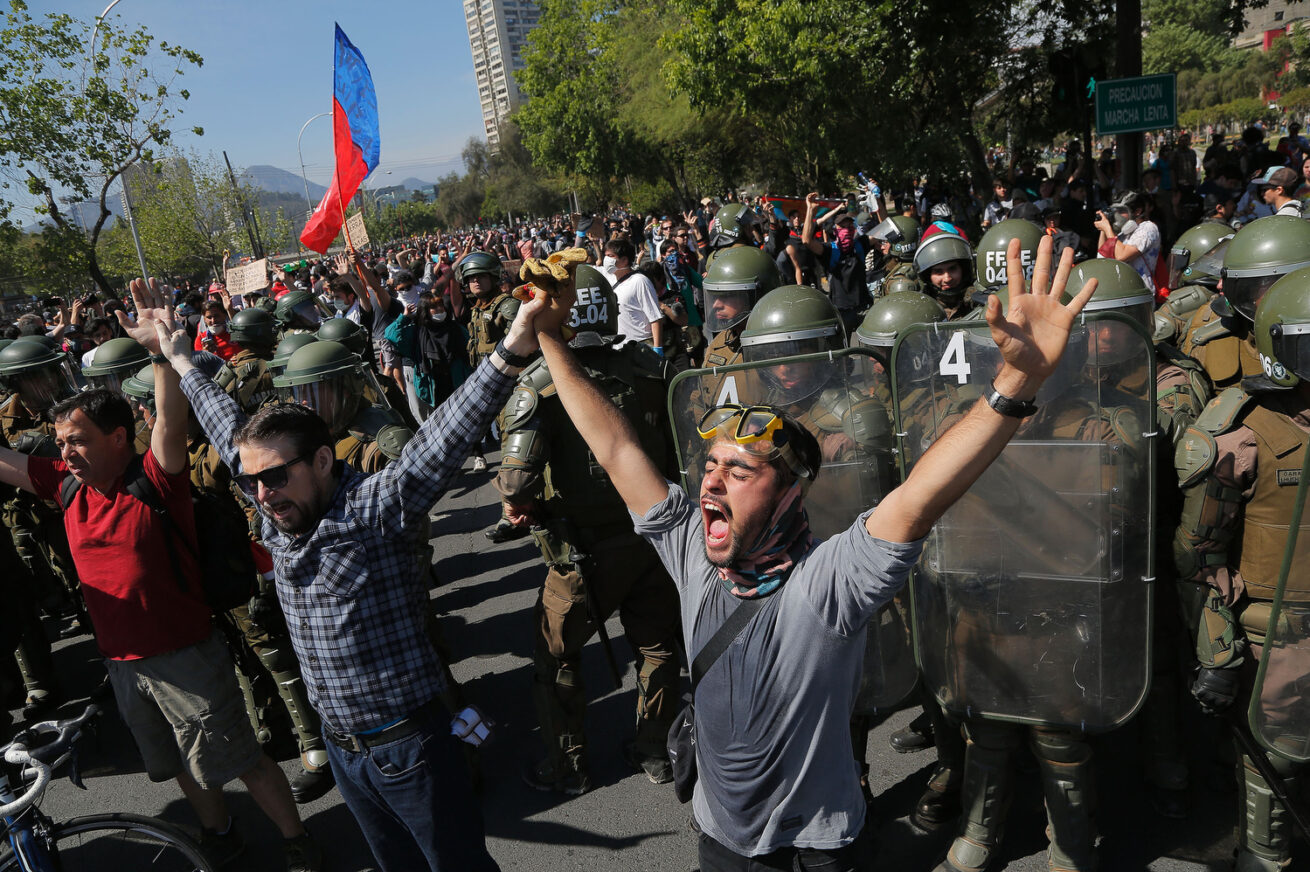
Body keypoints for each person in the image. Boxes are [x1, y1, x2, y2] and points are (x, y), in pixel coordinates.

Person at [532, 236, 1097, 871]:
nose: (710, 483)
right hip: (719, 840)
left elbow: (919, 496)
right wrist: (550, 338)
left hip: (816, 849)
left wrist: (1014, 384)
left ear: (788, 495)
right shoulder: (692, 550)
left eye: (740, 473)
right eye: (709, 467)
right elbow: (616, 450)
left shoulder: (828, 582)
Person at [155, 275, 544, 872]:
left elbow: (441, 441)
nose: (262, 494)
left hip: (409, 749)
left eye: (276, 478)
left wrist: (512, 346)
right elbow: (223, 425)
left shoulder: (372, 509)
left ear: (320, 461)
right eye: (254, 481)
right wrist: (180, 359)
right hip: (345, 755)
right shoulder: (274, 492)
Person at [0, 280, 320, 872]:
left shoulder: (154, 477)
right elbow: (8, 462)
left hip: (185, 657)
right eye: (62, 442)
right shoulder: (64, 486)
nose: (63, 452)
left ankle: (297, 839)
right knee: (177, 761)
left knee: (240, 755)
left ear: (118, 438)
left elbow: (171, 419)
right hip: (122, 665)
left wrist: (158, 352)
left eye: (77, 441)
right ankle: (219, 833)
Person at [493, 273, 682, 795]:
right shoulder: (653, 367)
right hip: (653, 541)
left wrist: (517, 505)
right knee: (659, 648)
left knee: (555, 656)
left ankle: (567, 766)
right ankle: (655, 748)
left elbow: (517, 479)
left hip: (580, 555)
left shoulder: (540, 383)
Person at [1172, 272, 1310, 871]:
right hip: (1275, 629)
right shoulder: (1241, 431)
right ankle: (1265, 854)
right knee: (1271, 759)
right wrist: (1216, 653)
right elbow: (1200, 556)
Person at [1093, 191, 1161, 292]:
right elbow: (1102, 256)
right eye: (1114, 211)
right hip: (1120, 292)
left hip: (1140, 294)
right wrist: (1105, 228)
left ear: (1137, 211)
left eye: (1121, 211)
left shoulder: (1148, 228)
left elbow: (1122, 255)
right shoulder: (1122, 234)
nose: (1117, 215)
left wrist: (1108, 229)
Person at [606, 237, 664, 350]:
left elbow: (655, 318)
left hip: (640, 347)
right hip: (620, 348)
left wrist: (658, 349)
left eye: (611, 256)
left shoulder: (640, 281)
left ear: (624, 260)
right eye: (606, 255)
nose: (606, 259)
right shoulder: (611, 280)